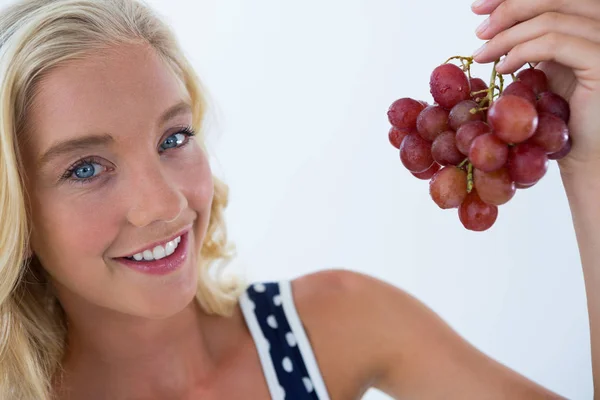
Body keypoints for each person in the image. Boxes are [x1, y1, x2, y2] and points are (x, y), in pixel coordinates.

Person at [0, 0, 596, 398]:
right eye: (85, 168)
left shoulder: (334, 323)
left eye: (173, 138)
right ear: (15, 210)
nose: (162, 204)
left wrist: (590, 156)